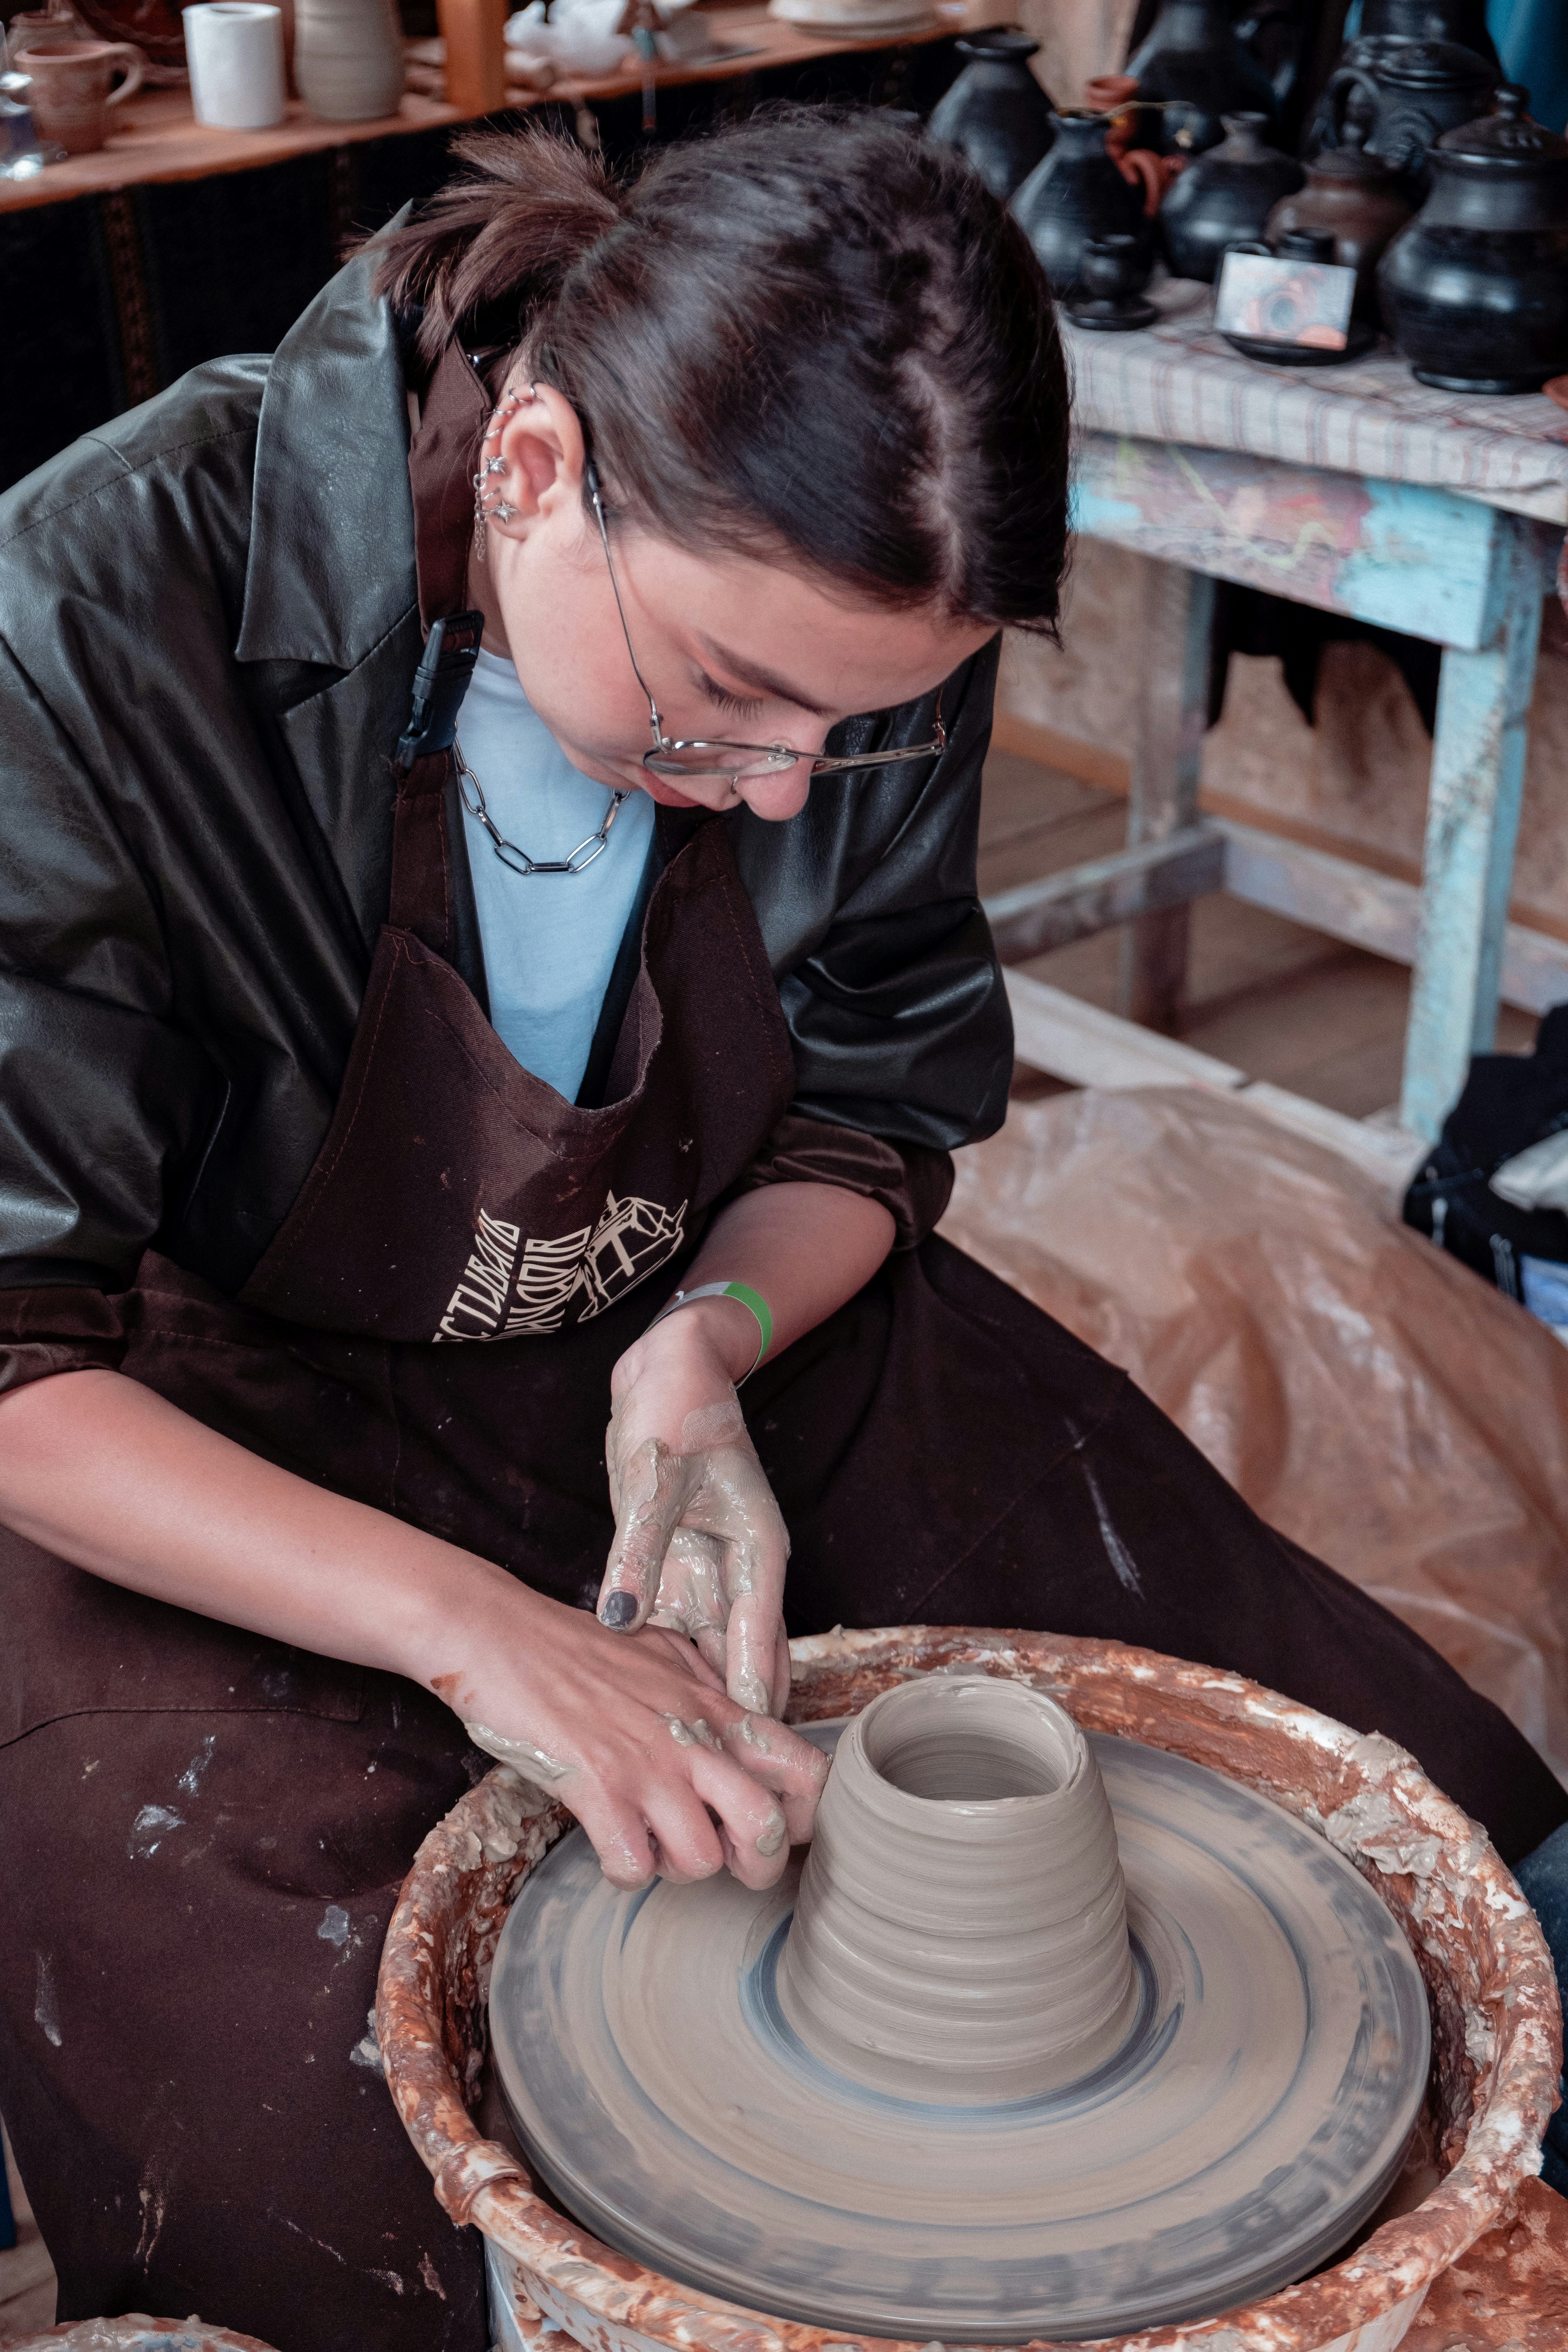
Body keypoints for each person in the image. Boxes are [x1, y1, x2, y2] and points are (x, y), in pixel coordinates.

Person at [0, 107, 1561, 2352]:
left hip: (658, 1301)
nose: (774, 792)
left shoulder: (862, 604)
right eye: (726, 704)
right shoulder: (88, 602)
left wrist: (704, 1350)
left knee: (1256, 1756)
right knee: (333, 2087)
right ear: (535, 467)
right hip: (188, 1413)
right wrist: (487, 1638)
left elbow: (873, 1097)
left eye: (859, 730)